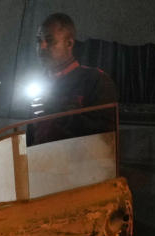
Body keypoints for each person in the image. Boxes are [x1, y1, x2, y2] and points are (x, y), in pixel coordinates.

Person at [27, 13, 117, 145]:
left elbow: (105, 136)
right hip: (41, 162)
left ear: (69, 43)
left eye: (49, 40)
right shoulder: (38, 84)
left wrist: (60, 113)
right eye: (38, 41)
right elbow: (32, 133)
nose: (42, 47)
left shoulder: (95, 80)